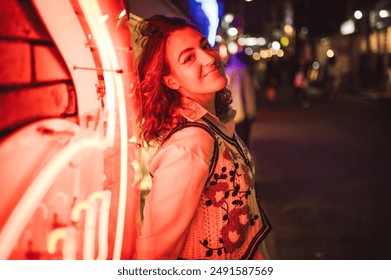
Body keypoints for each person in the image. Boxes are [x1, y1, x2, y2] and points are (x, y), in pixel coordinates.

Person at [134, 14, 271, 260]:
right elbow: (154, 254)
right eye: (188, 58)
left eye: (205, 46)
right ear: (170, 80)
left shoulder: (214, 123)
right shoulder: (190, 145)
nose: (209, 58)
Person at [224, 52, 257, 148]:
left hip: (230, 111)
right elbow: (251, 91)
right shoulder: (245, 71)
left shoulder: (227, 71)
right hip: (245, 111)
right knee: (244, 140)